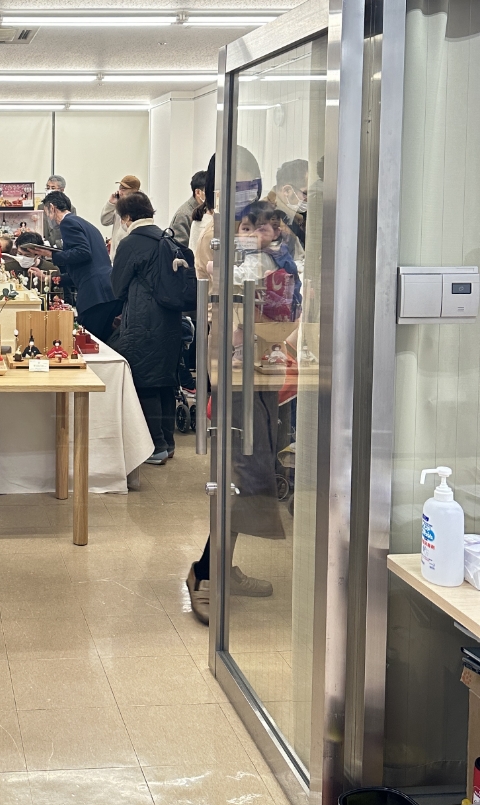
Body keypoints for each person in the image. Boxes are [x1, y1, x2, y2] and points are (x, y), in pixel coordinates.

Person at [186, 145, 284, 627]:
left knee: (254, 465)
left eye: (250, 182)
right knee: (237, 469)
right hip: (229, 357)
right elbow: (221, 287)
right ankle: (205, 574)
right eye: (234, 183)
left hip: (263, 357)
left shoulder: (261, 228)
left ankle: (221, 565)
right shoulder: (215, 233)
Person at [108, 191, 183, 466]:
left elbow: (117, 287)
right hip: (171, 321)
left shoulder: (132, 243)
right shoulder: (166, 238)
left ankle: (155, 447)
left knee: (146, 381)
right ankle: (168, 442)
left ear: (126, 217)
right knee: (165, 382)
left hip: (144, 320)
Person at [33, 190, 121, 342]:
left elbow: (82, 252)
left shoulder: (68, 223)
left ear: (52, 208)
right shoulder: (85, 224)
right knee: (100, 343)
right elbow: (83, 269)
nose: (48, 217)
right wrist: (50, 278)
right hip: (107, 292)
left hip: (95, 295)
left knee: (85, 342)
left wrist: (51, 255)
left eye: (46, 212)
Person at [100, 174, 141, 260]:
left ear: (135, 190)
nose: (120, 192)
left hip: (129, 258)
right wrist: (111, 204)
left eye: (124, 189)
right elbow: (105, 221)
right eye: (120, 188)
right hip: (116, 259)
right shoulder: (119, 206)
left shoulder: (140, 208)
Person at [269, 158, 308, 248]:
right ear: (287, 190)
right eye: (306, 193)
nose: (310, 199)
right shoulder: (265, 218)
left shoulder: (298, 215)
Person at [169, 170, 208, 249]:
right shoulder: (183, 215)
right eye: (209, 191)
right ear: (198, 192)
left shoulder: (207, 210)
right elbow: (179, 249)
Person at [43, 174, 70, 247]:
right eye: (48, 187)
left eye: (53, 188)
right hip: (43, 245)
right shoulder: (41, 207)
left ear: (62, 190)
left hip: (60, 247)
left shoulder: (69, 208)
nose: (49, 190)